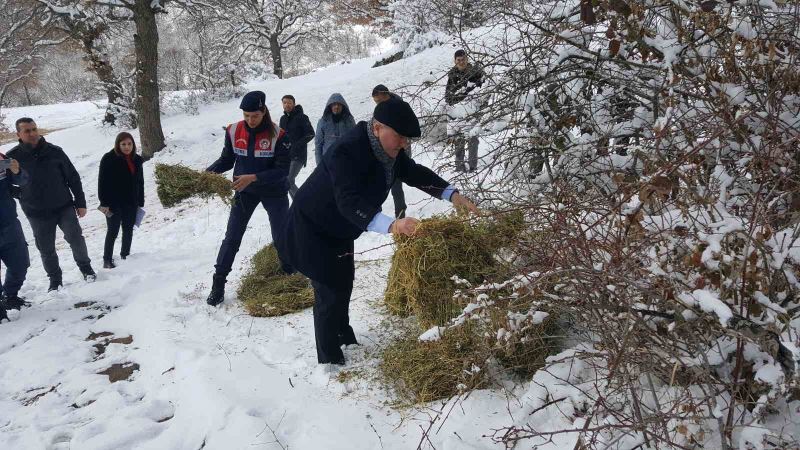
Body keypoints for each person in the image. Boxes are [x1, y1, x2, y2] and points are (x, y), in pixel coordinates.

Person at [278, 97, 479, 365]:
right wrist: (393, 224)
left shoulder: (390, 152)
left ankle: (344, 336)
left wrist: (451, 194)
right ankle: (329, 360)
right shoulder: (345, 151)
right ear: (377, 128)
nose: (404, 144)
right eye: (400, 137)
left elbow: (415, 172)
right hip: (312, 227)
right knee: (328, 290)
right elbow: (348, 201)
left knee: (344, 283)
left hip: (340, 230)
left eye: (407, 139)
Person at [205, 91, 292, 306]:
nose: (250, 120)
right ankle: (218, 283)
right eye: (246, 115)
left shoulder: (279, 135)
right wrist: (207, 174)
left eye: (254, 115)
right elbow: (227, 159)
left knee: (282, 235)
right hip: (245, 191)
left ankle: (290, 272)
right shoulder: (234, 130)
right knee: (232, 236)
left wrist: (253, 177)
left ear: (263, 111)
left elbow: (282, 171)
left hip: (274, 191)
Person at [7, 118, 95, 291]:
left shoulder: (55, 152)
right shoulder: (12, 158)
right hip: (36, 212)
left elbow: (73, 178)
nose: (32, 134)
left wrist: (80, 203)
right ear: (18, 134)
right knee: (46, 249)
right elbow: (5, 186)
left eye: (34, 129)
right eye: (27, 131)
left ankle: (86, 268)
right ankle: (55, 279)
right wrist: (22, 194)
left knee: (76, 239)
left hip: (63, 206)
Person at [98, 132, 145, 269]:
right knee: (113, 231)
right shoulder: (108, 158)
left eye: (129, 144)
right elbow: (102, 182)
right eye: (123, 144)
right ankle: (107, 259)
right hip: (113, 202)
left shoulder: (137, 159)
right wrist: (104, 202)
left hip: (131, 201)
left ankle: (126, 255)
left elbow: (140, 182)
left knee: (128, 229)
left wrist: (140, 200)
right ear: (118, 144)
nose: (126, 147)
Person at [0, 152, 30, 322]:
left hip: (10, 224)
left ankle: (10, 295)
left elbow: (22, 181)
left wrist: (17, 171)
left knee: (21, 264)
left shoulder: (1, 158)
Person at [445, 49, 485, 172]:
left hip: (473, 112)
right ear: (455, 61)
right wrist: (458, 100)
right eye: (459, 60)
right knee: (459, 140)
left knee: (473, 139)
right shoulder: (452, 76)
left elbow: (482, 91)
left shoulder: (476, 73)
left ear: (467, 59)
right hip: (457, 113)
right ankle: (459, 167)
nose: (461, 62)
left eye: (463, 59)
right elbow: (448, 97)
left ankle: (473, 167)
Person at [372, 84, 407, 218]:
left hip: (398, 151)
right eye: (375, 102)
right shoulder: (381, 108)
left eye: (379, 101)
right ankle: (375, 214)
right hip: (383, 151)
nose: (377, 104)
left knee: (396, 184)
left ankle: (400, 214)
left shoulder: (400, 107)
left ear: (386, 95)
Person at [279, 95, 315, 198]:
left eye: (289, 102)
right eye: (284, 103)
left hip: (298, 155)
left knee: (289, 180)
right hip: (286, 156)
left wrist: (296, 145)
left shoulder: (302, 117)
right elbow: (281, 136)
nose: (287, 105)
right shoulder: (283, 119)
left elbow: (311, 134)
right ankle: (297, 205)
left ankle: (302, 203)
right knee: (287, 181)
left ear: (294, 104)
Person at [314, 93, 355, 165]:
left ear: (343, 106)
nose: (336, 107)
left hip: (346, 160)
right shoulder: (323, 121)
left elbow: (354, 140)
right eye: (334, 104)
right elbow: (318, 144)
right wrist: (319, 165)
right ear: (330, 106)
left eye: (339, 104)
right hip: (329, 161)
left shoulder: (349, 120)